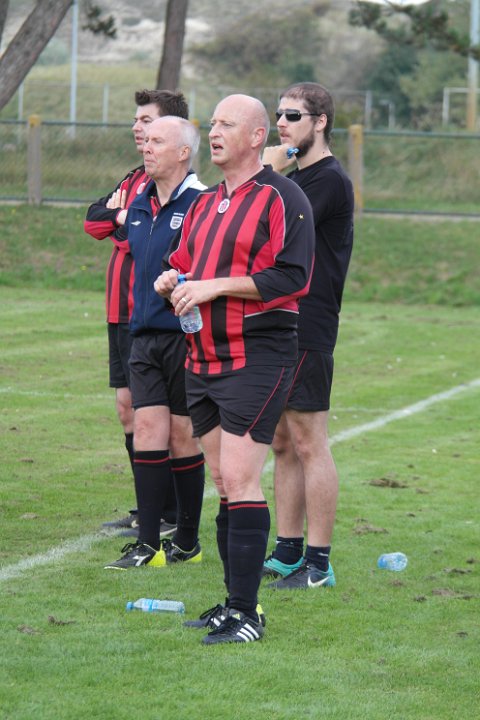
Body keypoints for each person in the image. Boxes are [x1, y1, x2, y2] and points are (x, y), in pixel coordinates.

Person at [154, 94, 315, 644]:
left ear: (256, 137)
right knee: (224, 481)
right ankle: (232, 603)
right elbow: (184, 264)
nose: (214, 132)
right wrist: (172, 280)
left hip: (257, 356)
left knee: (242, 478)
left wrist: (214, 287)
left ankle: (247, 615)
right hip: (202, 357)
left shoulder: (283, 196)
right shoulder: (203, 203)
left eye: (227, 124)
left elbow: (293, 277)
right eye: (213, 123)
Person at [261, 82, 354, 589]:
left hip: (310, 324)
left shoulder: (328, 180)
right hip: (281, 321)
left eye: (293, 115)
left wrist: (269, 168)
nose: (282, 123)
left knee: (308, 440)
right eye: (279, 114)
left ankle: (318, 564)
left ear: (320, 122)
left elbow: (278, 227)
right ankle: (287, 550)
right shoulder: (297, 178)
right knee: (282, 441)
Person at [103, 115, 207, 570]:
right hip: (141, 335)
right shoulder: (140, 202)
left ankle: (186, 540)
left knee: (183, 436)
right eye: (145, 140)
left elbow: (212, 266)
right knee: (147, 430)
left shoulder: (201, 202)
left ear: (183, 153)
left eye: (157, 141)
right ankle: (148, 544)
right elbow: (98, 223)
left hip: (184, 338)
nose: (146, 147)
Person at [84, 89, 188, 538]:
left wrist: (124, 221)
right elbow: (93, 221)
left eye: (146, 121)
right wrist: (123, 216)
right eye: (136, 121)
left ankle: (170, 514)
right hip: (119, 313)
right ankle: (151, 508)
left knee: (163, 419)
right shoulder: (132, 180)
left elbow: (142, 243)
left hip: (148, 314)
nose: (137, 129)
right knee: (128, 411)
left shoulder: (175, 188)